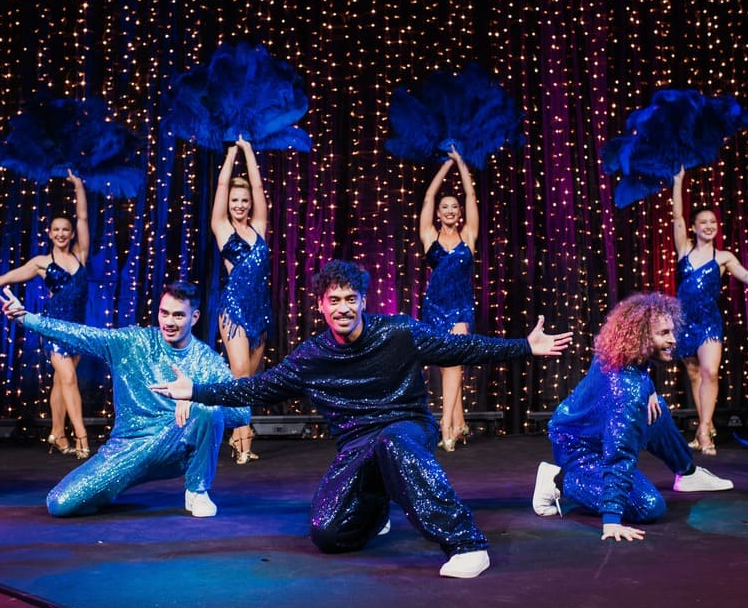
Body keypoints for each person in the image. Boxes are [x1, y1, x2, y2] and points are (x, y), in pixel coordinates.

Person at [151, 260, 573, 578]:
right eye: (334, 300)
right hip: (356, 444)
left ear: (363, 301)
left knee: (393, 443)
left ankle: (466, 543)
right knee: (328, 534)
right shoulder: (312, 357)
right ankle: (378, 501)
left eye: (350, 299)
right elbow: (257, 387)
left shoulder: (399, 333)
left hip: (404, 425)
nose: (343, 308)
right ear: (321, 305)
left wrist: (523, 346)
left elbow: (461, 349)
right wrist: (196, 391)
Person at [0, 281, 249, 517]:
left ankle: (197, 491)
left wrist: (198, 396)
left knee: (208, 410)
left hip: (175, 446)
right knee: (60, 504)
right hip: (128, 448)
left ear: (194, 317)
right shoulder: (132, 342)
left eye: (178, 315)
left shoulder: (207, 360)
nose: (168, 322)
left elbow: (242, 413)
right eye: (164, 313)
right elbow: (80, 334)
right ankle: (105, 490)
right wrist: (26, 319)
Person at [532, 293, 733, 542]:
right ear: (640, 336)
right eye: (664, 333)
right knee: (648, 505)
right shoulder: (626, 393)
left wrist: (648, 390)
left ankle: (687, 473)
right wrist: (611, 520)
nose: (673, 340)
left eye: (672, 331)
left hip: (588, 428)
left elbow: (638, 377)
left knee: (655, 407)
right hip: (579, 449)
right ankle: (558, 480)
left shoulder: (619, 353)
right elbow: (620, 454)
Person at [0, 170, 92, 459]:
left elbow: (83, 218)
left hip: (78, 329)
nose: (62, 234)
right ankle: (82, 438)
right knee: (67, 379)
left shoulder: (81, 255)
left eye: (65, 229)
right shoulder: (41, 263)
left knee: (60, 382)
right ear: (49, 233)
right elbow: (4, 278)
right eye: (56, 230)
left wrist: (78, 186)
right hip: (52, 327)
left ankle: (57, 433)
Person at [672, 167, 748, 455]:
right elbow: (677, 216)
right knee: (693, 375)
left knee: (710, 372)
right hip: (684, 321)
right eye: (703, 222)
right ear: (693, 227)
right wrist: (678, 181)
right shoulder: (684, 249)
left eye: (712, 222)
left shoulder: (724, 257)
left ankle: (704, 430)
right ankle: (705, 422)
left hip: (709, 322)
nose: (708, 225)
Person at [210, 137, 271, 464]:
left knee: (252, 377)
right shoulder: (222, 228)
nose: (240, 205)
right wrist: (233, 152)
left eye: (244, 200)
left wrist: (249, 151)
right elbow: (222, 184)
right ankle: (244, 441)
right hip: (234, 309)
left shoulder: (259, 226)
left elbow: (259, 188)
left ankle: (237, 434)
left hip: (260, 309)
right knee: (240, 374)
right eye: (235, 200)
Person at [419, 146, 478, 452]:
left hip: (461, 309)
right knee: (445, 366)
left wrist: (461, 163)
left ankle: (446, 425)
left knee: (454, 363)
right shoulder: (429, 236)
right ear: (439, 213)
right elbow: (428, 198)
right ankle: (460, 422)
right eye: (446, 207)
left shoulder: (468, 236)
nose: (451, 211)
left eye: (454, 207)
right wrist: (445, 166)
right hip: (434, 307)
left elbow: (471, 197)